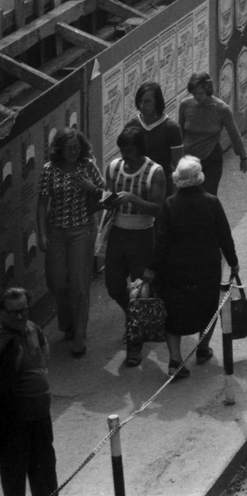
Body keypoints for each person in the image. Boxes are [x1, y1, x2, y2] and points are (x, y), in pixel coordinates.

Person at [147, 155, 239, 379]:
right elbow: (224, 236)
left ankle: (175, 361)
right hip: (205, 267)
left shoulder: (169, 205)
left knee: (174, 313)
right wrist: (233, 262)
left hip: (174, 269)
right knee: (208, 308)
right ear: (199, 178)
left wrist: (151, 268)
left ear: (177, 179)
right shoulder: (212, 202)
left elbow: (160, 242)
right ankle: (203, 348)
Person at [37, 129, 106, 358]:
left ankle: (79, 333)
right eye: (69, 149)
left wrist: (90, 187)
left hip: (82, 230)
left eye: (77, 148)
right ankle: (68, 320)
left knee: (79, 283)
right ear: (59, 149)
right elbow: (42, 203)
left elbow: (105, 194)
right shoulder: (49, 170)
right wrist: (42, 233)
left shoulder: (87, 166)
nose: (73, 153)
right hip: (56, 230)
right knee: (56, 282)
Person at [105, 124, 167, 367]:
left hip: (142, 235)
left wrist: (132, 199)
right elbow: (107, 198)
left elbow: (157, 208)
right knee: (113, 286)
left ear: (140, 149)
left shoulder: (155, 172)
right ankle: (135, 319)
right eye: (122, 150)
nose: (124, 156)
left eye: (129, 151)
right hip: (117, 233)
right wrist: (100, 197)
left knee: (141, 293)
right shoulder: (114, 167)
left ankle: (134, 343)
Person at [0, 285, 56, 496]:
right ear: (2, 313)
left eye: (24, 310)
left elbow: (43, 350)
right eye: (13, 312)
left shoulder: (32, 328)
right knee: (15, 479)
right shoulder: (3, 342)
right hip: (15, 425)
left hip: (40, 419)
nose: (19, 316)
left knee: (45, 477)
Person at [177, 71, 247, 196]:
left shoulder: (222, 109)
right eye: (194, 93)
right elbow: (179, 135)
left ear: (208, 90)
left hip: (211, 159)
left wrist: (243, 158)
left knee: (208, 196)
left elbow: (234, 135)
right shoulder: (185, 105)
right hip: (189, 159)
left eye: (200, 93)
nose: (197, 97)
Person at [134, 82, 184, 177]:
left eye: (147, 101)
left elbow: (178, 165)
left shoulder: (172, 128)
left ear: (157, 102)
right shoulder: (132, 125)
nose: (142, 106)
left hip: (164, 184)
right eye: (140, 101)